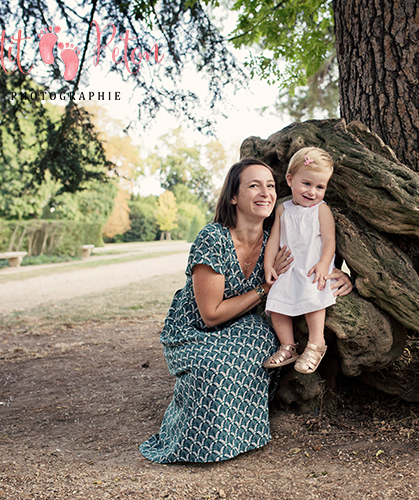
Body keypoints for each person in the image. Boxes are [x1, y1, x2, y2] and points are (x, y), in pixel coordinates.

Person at [139, 158, 353, 464]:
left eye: (269, 185)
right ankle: (191, 442)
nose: (265, 192)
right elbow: (209, 314)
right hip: (195, 329)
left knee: (257, 355)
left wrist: (340, 274)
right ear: (234, 196)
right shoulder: (212, 238)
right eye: (254, 185)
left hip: (245, 324)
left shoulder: (273, 240)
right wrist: (264, 289)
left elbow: (313, 250)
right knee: (210, 368)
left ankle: (242, 436)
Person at [262, 147, 337, 374]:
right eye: (307, 184)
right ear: (290, 179)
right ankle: (288, 346)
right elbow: (274, 240)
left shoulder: (321, 210)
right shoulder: (282, 210)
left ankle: (316, 343)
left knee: (312, 293)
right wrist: (268, 264)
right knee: (276, 301)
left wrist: (324, 263)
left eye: (320, 187)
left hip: (312, 266)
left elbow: (329, 240)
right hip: (289, 268)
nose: (312, 192)